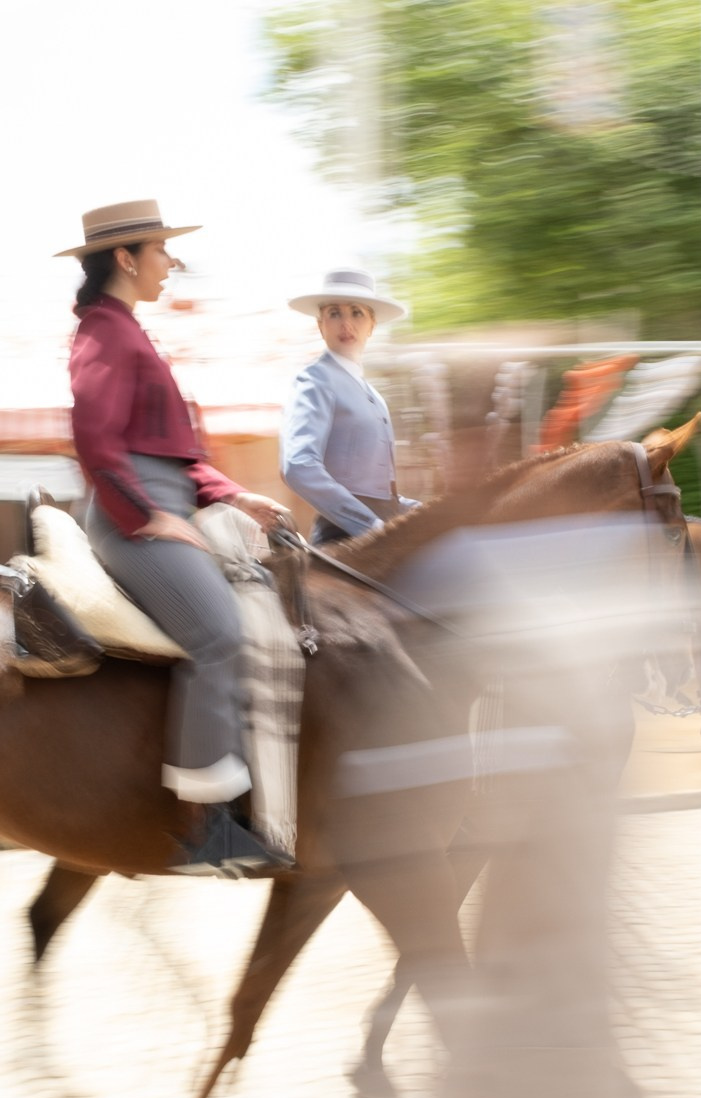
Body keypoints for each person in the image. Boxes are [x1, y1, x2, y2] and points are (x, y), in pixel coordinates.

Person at [56, 199, 294, 878]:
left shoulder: (128, 329)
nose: (172, 260)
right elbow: (95, 440)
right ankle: (203, 830)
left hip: (171, 509)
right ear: (125, 258)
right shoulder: (104, 331)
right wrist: (146, 517)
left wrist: (236, 496)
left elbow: (175, 456)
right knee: (221, 635)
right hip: (134, 522)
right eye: (161, 249)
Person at [280, 268, 418, 545]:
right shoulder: (314, 380)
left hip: (387, 530)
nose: (346, 324)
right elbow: (298, 466)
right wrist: (369, 526)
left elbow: (380, 495)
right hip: (342, 538)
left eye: (356, 313)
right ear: (321, 325)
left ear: (372, 325)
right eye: (334, 313)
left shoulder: (374, 396)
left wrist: (419, 509)